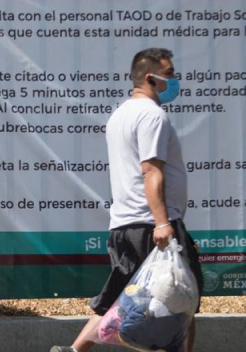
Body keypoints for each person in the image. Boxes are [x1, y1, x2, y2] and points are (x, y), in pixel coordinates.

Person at [50, 48, 203, 352]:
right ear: (151, 78)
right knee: (179, 298)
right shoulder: (151, 115)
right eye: (169, 74)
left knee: (122, 296)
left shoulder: (121, 114)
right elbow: (151, 171)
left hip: (125, 224)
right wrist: (162, 223)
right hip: (151, 224)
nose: (174, 80)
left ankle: (73, 351)